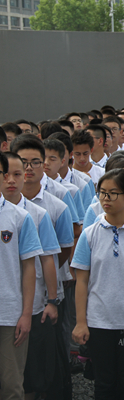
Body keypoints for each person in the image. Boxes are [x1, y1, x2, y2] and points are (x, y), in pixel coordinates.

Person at [71, 168, 124, 399]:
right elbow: (82, 280)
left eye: (113, 193)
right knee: (104, 384)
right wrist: (81, 322)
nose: (106, 198)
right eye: (102, 193)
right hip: (99, 322)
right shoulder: (90, 234)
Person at [0, 151, 44, 400]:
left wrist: (26, 314)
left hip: (9, 314)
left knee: (12, 386)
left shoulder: (20, 217)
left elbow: (30, 268)